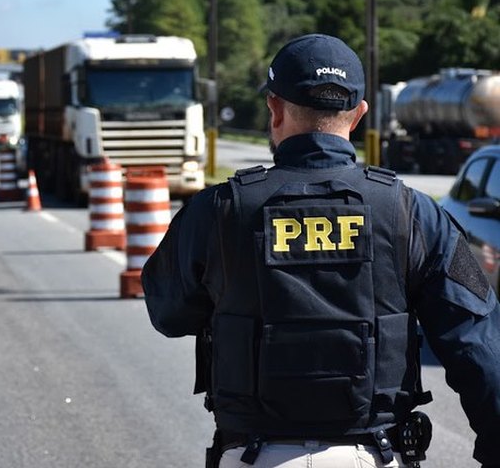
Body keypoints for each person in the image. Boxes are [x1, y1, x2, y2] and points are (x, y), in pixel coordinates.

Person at [142, 34, 500, 468]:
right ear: (360, 116)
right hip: (376, 454)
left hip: (254, 454)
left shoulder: (217, 210)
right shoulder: (413, 212)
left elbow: (168, 313)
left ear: (274, 109)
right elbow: (478, 347)